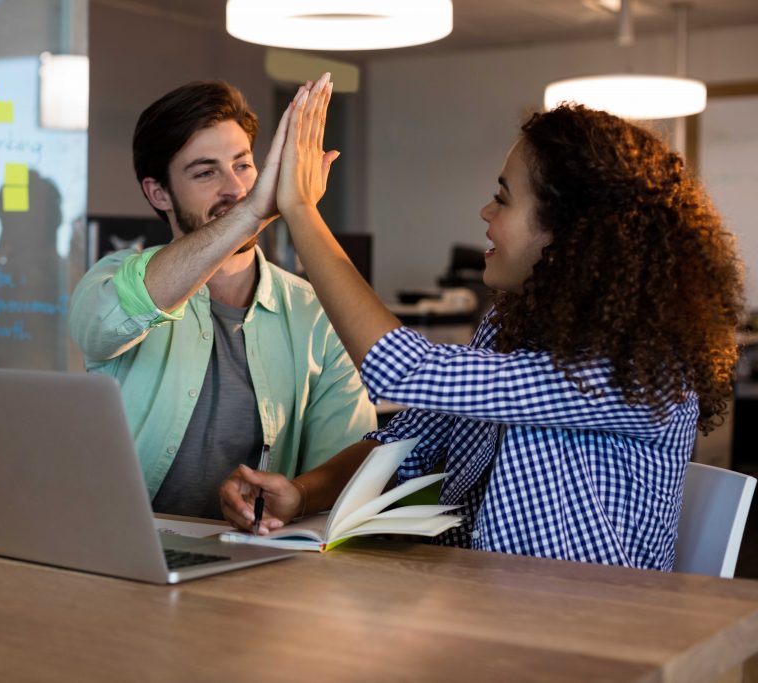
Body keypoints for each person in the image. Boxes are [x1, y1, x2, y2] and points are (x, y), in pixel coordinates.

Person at [219, 74, 744, 570]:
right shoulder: (509, 328)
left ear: (569, 234)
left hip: (591, 631)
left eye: (504, 198)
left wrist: (303, 212)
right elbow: (407, 438)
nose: (485, 213)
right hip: (480, 599)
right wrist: (303, 492)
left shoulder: (637, 372)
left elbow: (403, 371)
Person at [69, 80, 375, 519]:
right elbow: (106, 324)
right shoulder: (111, 278)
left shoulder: (315, 311)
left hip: (256, 561)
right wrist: (253, 212)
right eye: (205, 172)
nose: (235, 188)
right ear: (158, 193)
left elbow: (348, 458)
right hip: (125, 553)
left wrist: (298, 495)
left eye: (244, 165)